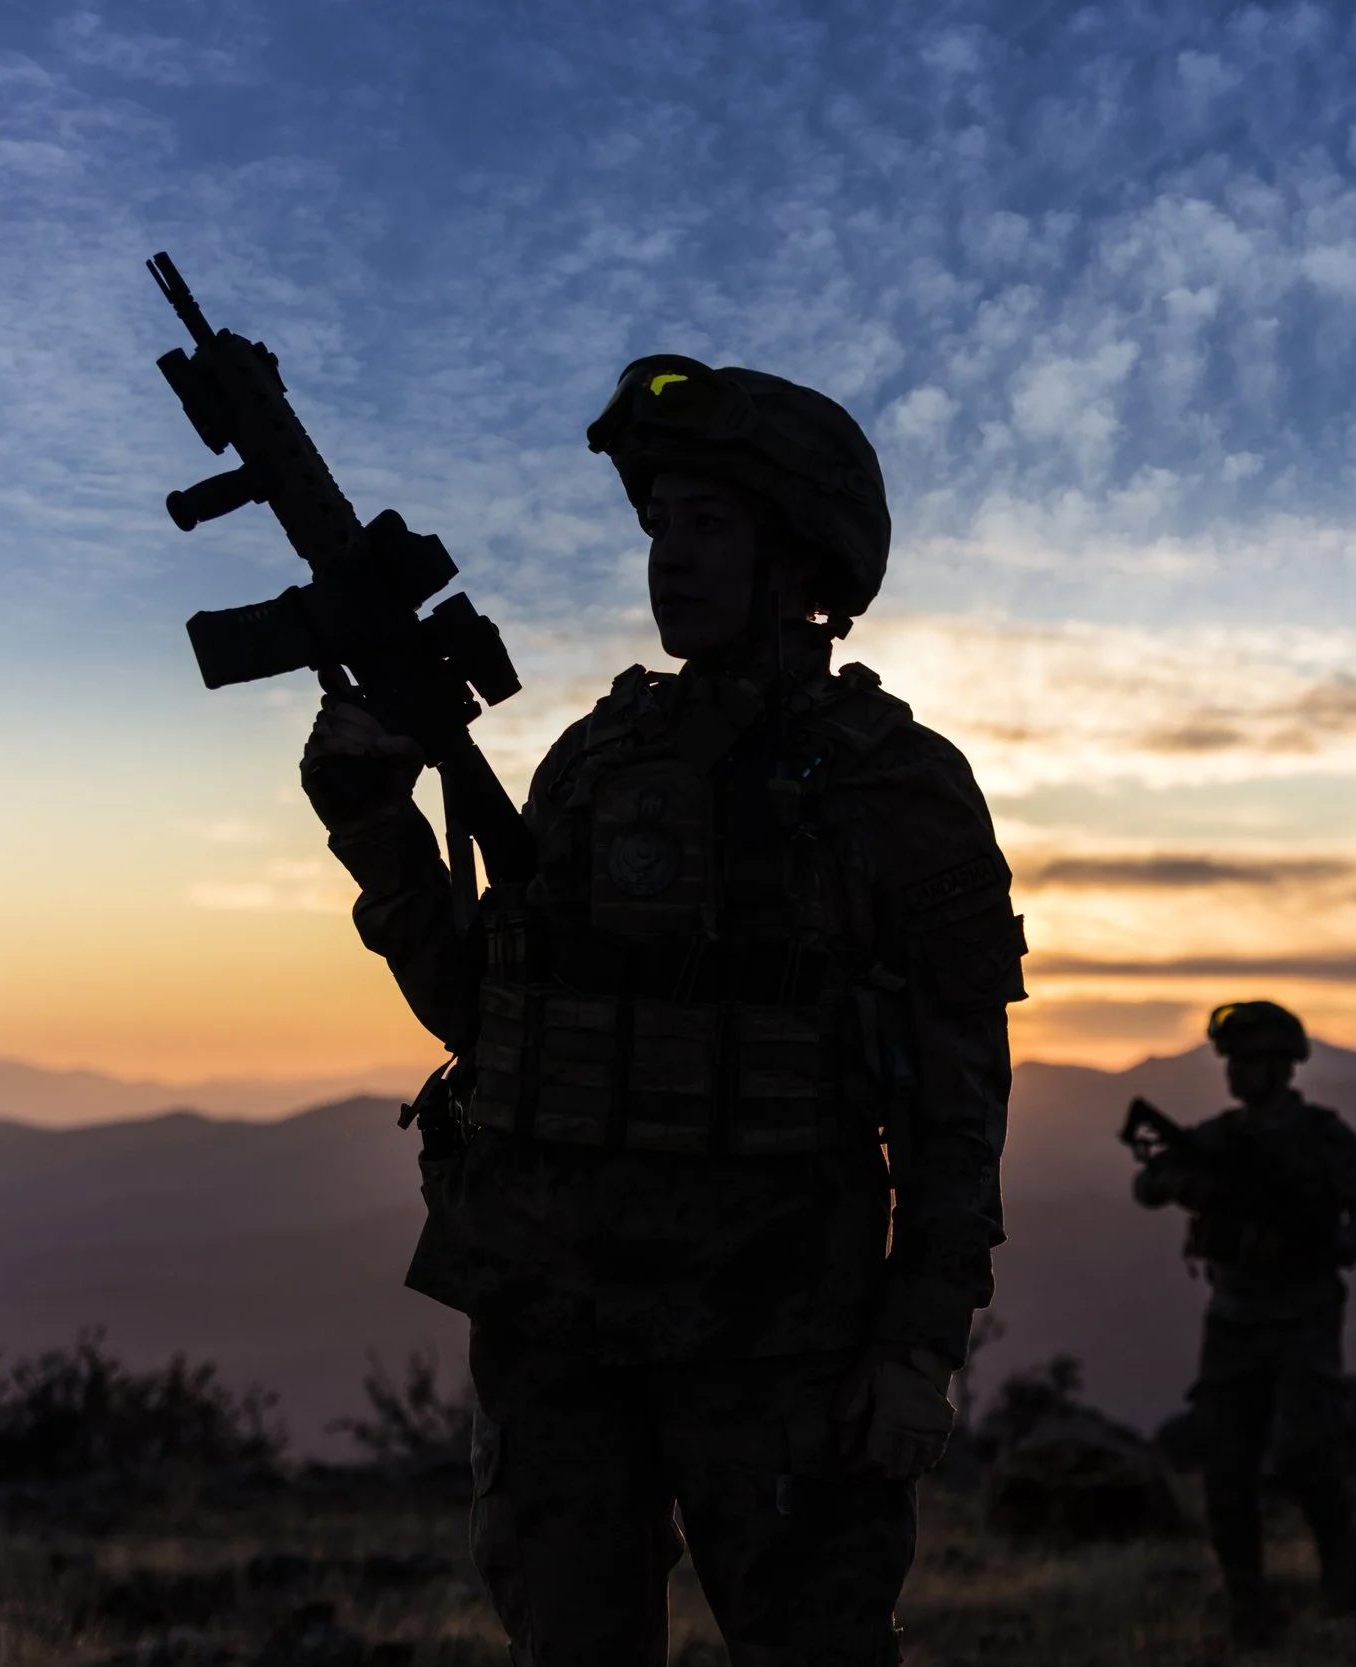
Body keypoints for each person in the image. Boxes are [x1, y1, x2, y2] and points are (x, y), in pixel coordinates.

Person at [301, 355, 1024, 1667]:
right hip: (558, 1320)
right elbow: (492, 1014)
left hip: (781, 1334)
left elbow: (957, 1106)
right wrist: (380, 831)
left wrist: (920, 1344)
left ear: (799, 550)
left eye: (709, 524)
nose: (669, 557)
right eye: (658, 525)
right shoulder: (596, 759)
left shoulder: (900, 792)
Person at [1130, 1001, 1356, 1647]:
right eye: (1232, 1061)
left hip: (1302, 1315)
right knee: (1227, 1470)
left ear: (1282, 1066)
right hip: (1234, 1318)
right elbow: (1152, 1182)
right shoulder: (1221, 1138)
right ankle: (1249, 1606)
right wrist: (1188, 1185)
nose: (1237, 1073)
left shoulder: (1323, 1138)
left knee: (1306, 1455)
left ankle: (1342, 1574)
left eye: (1250, 1061)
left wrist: (1319, 1247)